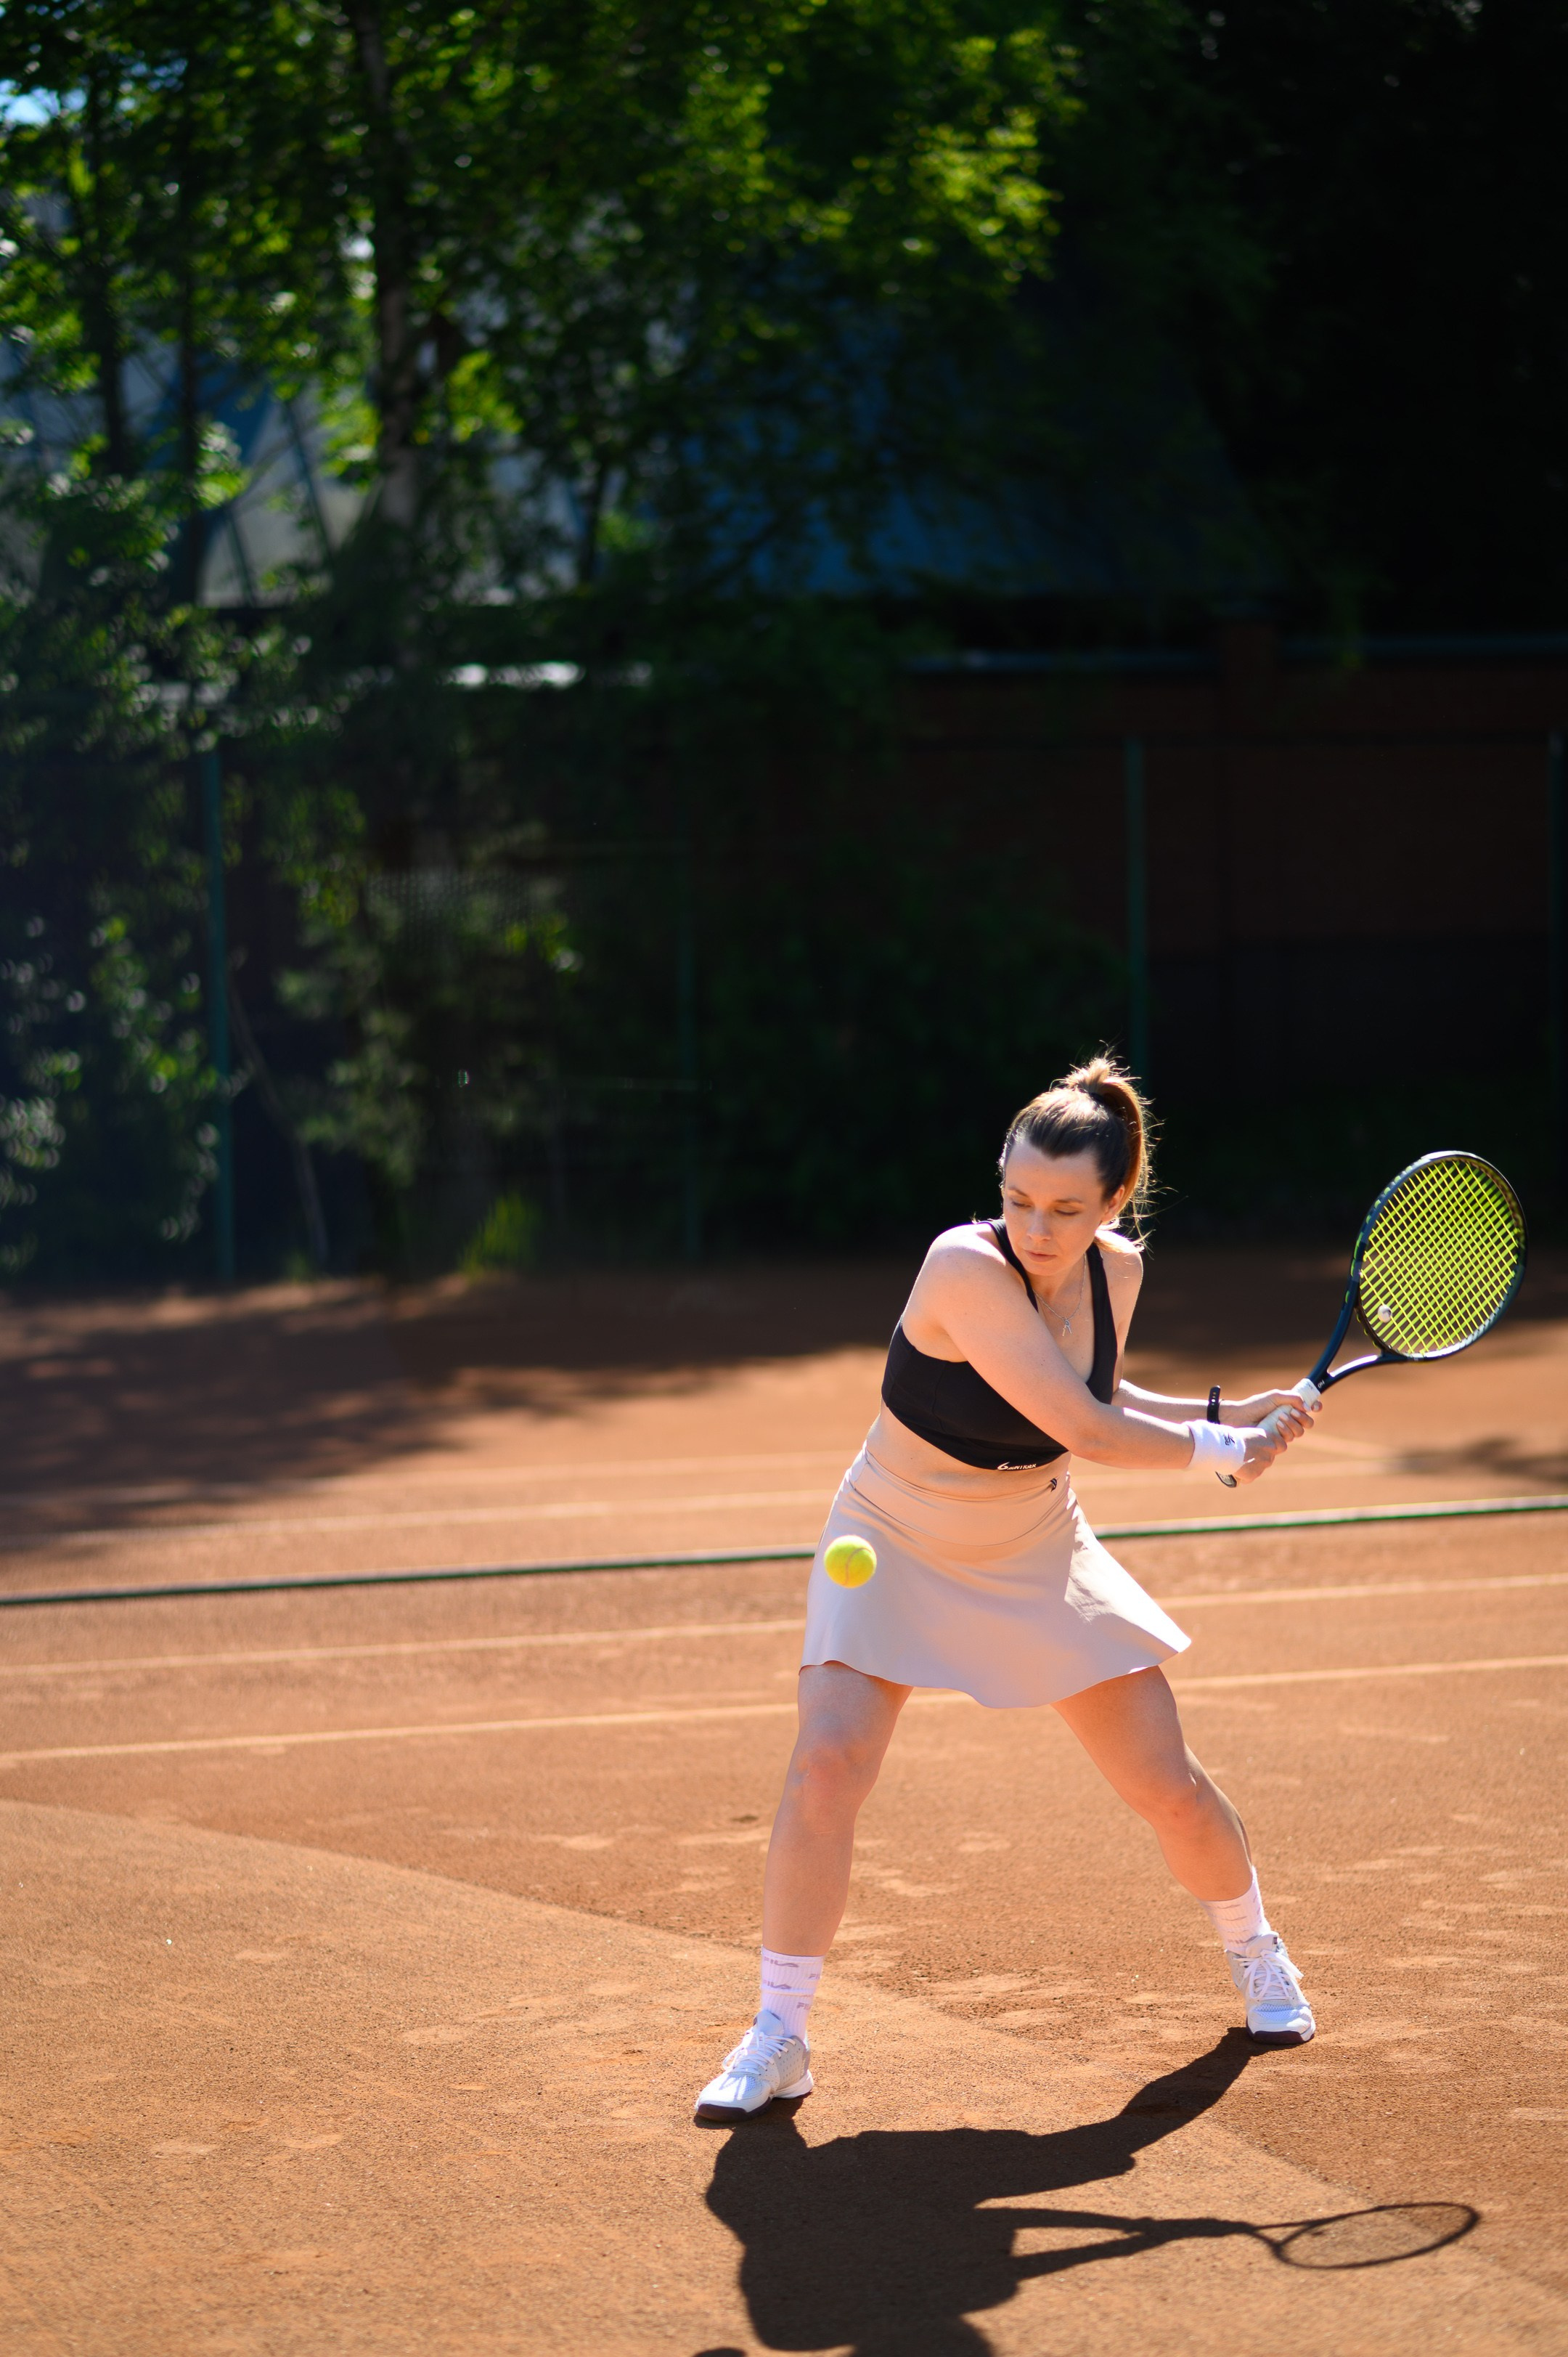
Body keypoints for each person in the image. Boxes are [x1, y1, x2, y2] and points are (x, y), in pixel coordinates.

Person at [695, 1055, 1319, 2124]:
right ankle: (779, 2033)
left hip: (1035, 1542)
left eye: (1067, 1209)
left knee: (1167, 1784)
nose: (1037, 1226)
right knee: (827, 1765)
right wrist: (1224, 1449)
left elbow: (1087, 1386)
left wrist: (1224, 1408)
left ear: (1115, 1202)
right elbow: (1083, 1427)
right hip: (892, 1535)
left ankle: (1257, 1950)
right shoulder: (962, 1266)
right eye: (1019, 1198)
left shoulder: (1118, 1273)